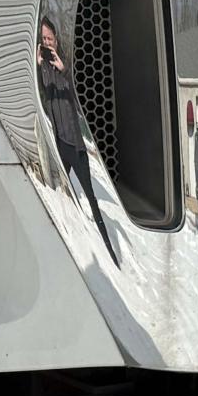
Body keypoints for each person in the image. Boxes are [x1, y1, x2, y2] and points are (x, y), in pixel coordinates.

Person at [36, 20, 120, 263]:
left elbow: (78, 96)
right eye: (43, 39)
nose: (46, 42)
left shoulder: (65, 67)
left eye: (49, 39)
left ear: (56, 41)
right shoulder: (42, 69)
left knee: (90, 196)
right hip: (58, 142)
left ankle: (108, 249)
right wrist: (38, 63)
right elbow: (41, 92)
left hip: (75, 143)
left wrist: (64, 69)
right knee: (59, 194)